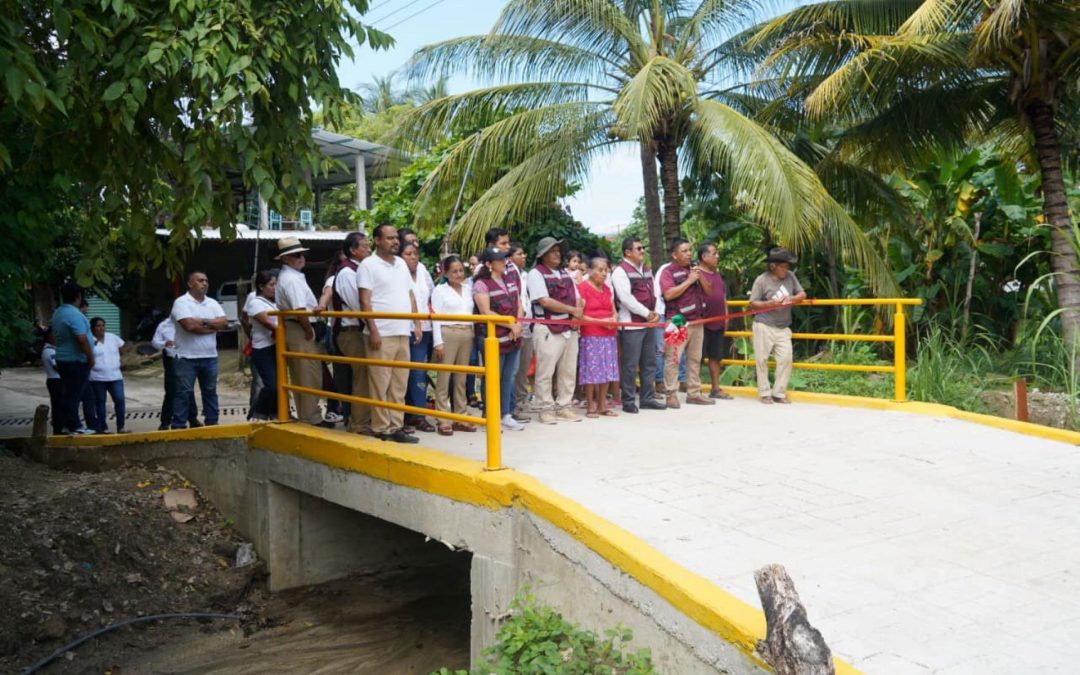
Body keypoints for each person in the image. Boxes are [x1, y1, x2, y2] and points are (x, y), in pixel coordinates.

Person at [358, 224, 423, 444]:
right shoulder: (368, 265)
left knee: (399, 384)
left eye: (396, 238)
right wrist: (373, 330)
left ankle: (396, 426)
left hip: (402, 331)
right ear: (377, 240)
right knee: (380, 383)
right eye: (389, 238)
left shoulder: (401, 265)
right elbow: (364, 301)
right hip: (381, 333)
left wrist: (416, 323)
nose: (395, 241)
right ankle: (381, 427)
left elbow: (410, 295)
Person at [274, 237, 331, 427]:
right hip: (300, 328)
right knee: (307, 374)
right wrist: (308, 330)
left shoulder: (293, 276)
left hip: (298, 326)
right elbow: (299, 310)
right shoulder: (291, 279)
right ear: (285, 259)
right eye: (296, 255)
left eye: (302, 254)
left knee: (305, 373)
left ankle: (309, 414)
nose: (301, 258)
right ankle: (311, 417)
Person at [528, 237, 583, 425]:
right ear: (542, 255)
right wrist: (572, 311)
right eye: (552, 251)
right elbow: (544, 301)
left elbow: (578, 298)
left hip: (569, 327)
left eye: (558, 250)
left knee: (568, 370)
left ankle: (564, 406)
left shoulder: (565, 274)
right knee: (545, 371)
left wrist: (576, 316)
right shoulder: (536, 274)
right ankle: (545, 408)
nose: (557, 254)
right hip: (547, 327)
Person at [611, 236, 666, 414]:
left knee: (649, 362)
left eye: (643, 248)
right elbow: (626, 298)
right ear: (627, 252)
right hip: (632, 325)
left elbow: (655, 293)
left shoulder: (646, 269)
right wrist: (647, 314)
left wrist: (656, 312)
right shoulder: (620, 271)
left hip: (649, 324)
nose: (642, 251)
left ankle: (647, 398)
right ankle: (628, 401)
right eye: (638, 248)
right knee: (630, 364)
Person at [473, 247, 525, 431]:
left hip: (513, 336)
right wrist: (510, 325)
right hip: (493, 337)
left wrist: (516, 325)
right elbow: (486, 311)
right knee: (493, 377)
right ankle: (490, 415)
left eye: (505, 258)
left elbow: (519, 304)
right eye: (500, 259)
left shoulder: (510, 279)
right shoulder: (481, 284)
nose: (504, 262)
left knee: (508, 377)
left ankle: (505, 414)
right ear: (489, 264)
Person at [659, 238, 715, 408]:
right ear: (674, 255)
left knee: (695, 359)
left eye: (689, 250)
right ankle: (671, 394)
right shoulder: (667, 272)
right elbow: (668, 294)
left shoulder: (694, 270)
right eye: (684, 251)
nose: (689, 253)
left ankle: (694, 393)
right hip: (677, 320)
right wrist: (690, 281)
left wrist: (699, 277)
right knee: (673, 358)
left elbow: (709, 291)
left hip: (697, 319)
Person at [170, 270, 228, 428]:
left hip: (210, 356)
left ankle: (212, 424)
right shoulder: (181, 303)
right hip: (186, 357)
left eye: (206, 280)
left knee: (210, 391)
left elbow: (224, 323)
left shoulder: (212, 303)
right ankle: (178, 427)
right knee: (183, 393)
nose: (204, 283)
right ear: (190, 284)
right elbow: (189, 326)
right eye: (200, 280)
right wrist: (211, 325)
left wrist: (200, 322)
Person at [749, 247, 806, 404]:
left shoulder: (791, 277)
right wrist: (770, 303)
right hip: (764, 325)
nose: (786, 269)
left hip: (783, 326)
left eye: (788, 266)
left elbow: (802, 294)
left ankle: (779, 393)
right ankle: (765, 392)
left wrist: (792, 299)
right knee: (762, 359)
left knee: (786, 358)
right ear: (773, 266)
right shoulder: (761, 280)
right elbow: (753, 303)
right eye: (783, 266)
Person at [431, 255, 477, 436]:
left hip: (467, 332)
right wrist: (438, 342)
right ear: (446, 273)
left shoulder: (468, 288)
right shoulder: (440, 290)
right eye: (454, 271)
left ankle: (460, 415)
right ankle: (442, 417)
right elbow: (435, 317)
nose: (459, 274)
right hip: (448, 331)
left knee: (461, 377)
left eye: (460, 270)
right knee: (444, 376)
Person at [333, 231, 373, 434]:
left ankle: (362, 419)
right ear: (353, 250)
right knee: (361, 376)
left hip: (358, 329)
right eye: (364, 246)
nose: (368, 249)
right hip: (352, 331)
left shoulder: (358, 270)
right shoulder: (348, 273)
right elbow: (358, 304)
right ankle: (359, 423)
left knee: (363, 375)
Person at [576, 256, 620, 418]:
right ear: (590, 271)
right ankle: (591, 406)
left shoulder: (607, 289)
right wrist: (601, 321)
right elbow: (580, 315)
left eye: (606, 270)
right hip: (591, 334)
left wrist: (613, 319)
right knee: (592, 370)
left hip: (609, 334)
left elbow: (614, 310)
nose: (603, 273)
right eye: (600, 270)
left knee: (607, 369)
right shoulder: (583, 288)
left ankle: (603, 405)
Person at [400, 240, 437, 433]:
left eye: (415, 253)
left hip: (424, 328)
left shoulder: (422, 270)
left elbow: (431, 295)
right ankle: (403, 415)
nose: (414, 257)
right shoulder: (397, 272)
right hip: (402, 329)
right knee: (402, 374)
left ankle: (419, 415)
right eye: (408, 254)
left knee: (419, 373)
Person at [51, 282, 96, 434]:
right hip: (75, 360)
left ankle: (66, 424)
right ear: (78, 296)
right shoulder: (74, 314)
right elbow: (81, 339)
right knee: (74, 395)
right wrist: (90, 357)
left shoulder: (58, 313)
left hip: (63, 357)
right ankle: (74, 425)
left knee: (69, 392)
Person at [698, 243, 734, 400]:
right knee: (696, 358)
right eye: (714, 253)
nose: (717, 256)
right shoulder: (695, 274)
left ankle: (715, 388)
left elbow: (723, 297)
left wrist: (726, 316)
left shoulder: (717, 275)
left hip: (718, 322)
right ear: (704, 257)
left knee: (716, 356)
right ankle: (694, 389)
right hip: (701, 322)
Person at [152, 316, 200, 430]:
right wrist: (165, 343)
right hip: (171, 358)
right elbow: (155, 342)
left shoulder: (188, 321)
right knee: (171, 390)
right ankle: (165, 421)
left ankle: (192, 418)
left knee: (188, 389)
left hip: (186, 357)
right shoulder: (163, 325)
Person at [244, 269, 279, 420]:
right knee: (271, 385)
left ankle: (274, 413)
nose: (275, 288)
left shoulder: (275, 302)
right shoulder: (255, 303)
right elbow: (268, 323)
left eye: (276, 284)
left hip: (275, 347)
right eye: (271, 284)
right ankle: (257, 413)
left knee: (279, 385)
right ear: (261, 286)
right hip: (262, 349)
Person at [316, 252, 347, 424]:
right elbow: (327, 294)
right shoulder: (334, 279)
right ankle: (333, 408)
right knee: (340, 373)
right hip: (337, 330)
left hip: (347, 329)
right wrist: (321, 305)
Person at [509, 242, 535, 421]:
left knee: (524, 367)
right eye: (519, 253)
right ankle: (515, 405)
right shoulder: (508, 274)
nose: (524, 256)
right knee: (514, 369)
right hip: (515, 326)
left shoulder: (526, 275)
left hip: (528, 326)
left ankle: (522, 400)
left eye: (524, 253)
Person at [88, 317, 127, 433]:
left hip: (115, 376)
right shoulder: (89, 340)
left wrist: (121, 360)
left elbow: (122, 348)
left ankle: (121, 426)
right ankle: (103, 427)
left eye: (103, 325)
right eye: (98, 326)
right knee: (100, 403)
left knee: (120, 400)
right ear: (93, 328)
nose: (101, 328)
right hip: (97, 377)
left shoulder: (112, 337)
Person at [41, 328, 63, 435]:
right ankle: (58, 429)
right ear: (49, 337)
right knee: (58, 406)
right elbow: (57, 366)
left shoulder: (53, 349)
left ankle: (60, 428)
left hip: (56, 380)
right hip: (55, 381)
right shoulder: (49, 351)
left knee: (60, 406)